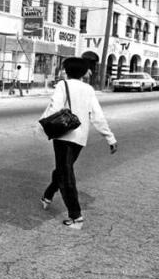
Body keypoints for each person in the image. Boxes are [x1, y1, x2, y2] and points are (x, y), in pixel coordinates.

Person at [39, 57, 117, 230]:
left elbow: (54, 107)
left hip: (64, 135)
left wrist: (43, 125)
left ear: (67, 71)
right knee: (63, 169)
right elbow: (97, 115)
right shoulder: (89, 89)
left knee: (65, 174)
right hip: (80, 138)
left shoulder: (62, 85)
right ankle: (48, 195)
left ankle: (75, 217)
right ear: (83, 72)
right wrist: (109, 137)